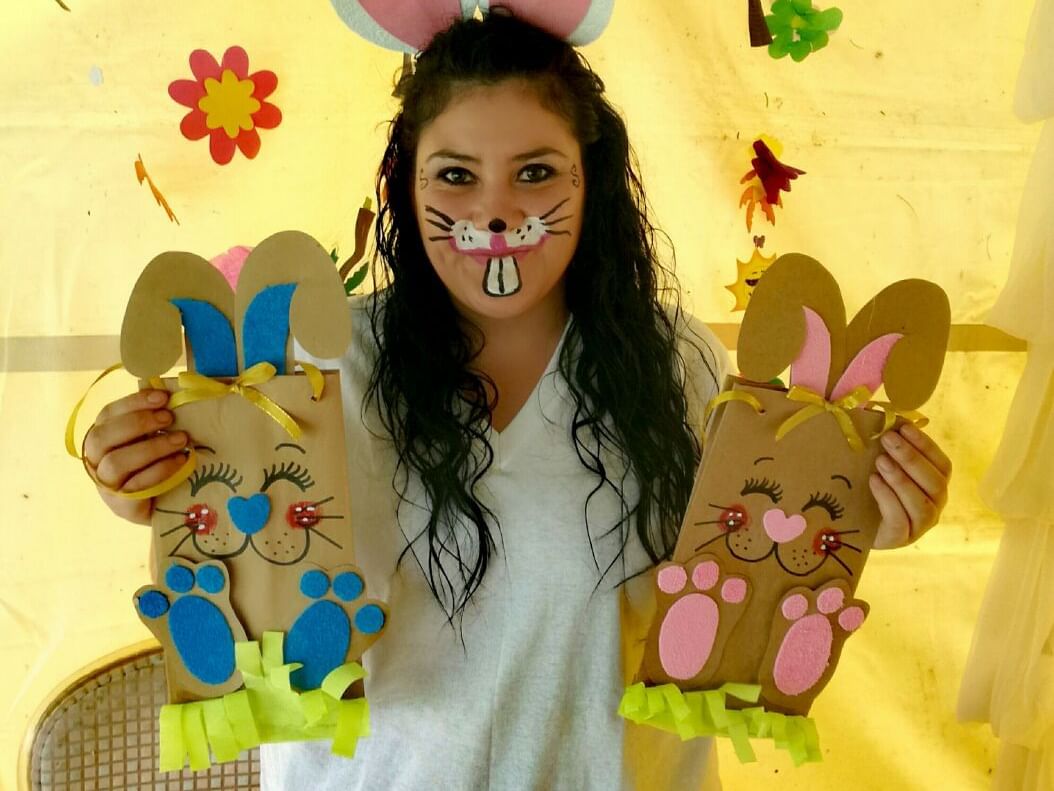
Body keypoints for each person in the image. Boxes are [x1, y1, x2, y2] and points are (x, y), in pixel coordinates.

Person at [81, 12, 952, 790]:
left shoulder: (675, 361)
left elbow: (746, 556)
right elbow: (236, 537)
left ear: (592, 181)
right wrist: (141, 477)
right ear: (404, 186)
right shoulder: (310, 369)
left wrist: (859, 517)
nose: (496, 214)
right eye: (456, 176)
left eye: (536, 172)